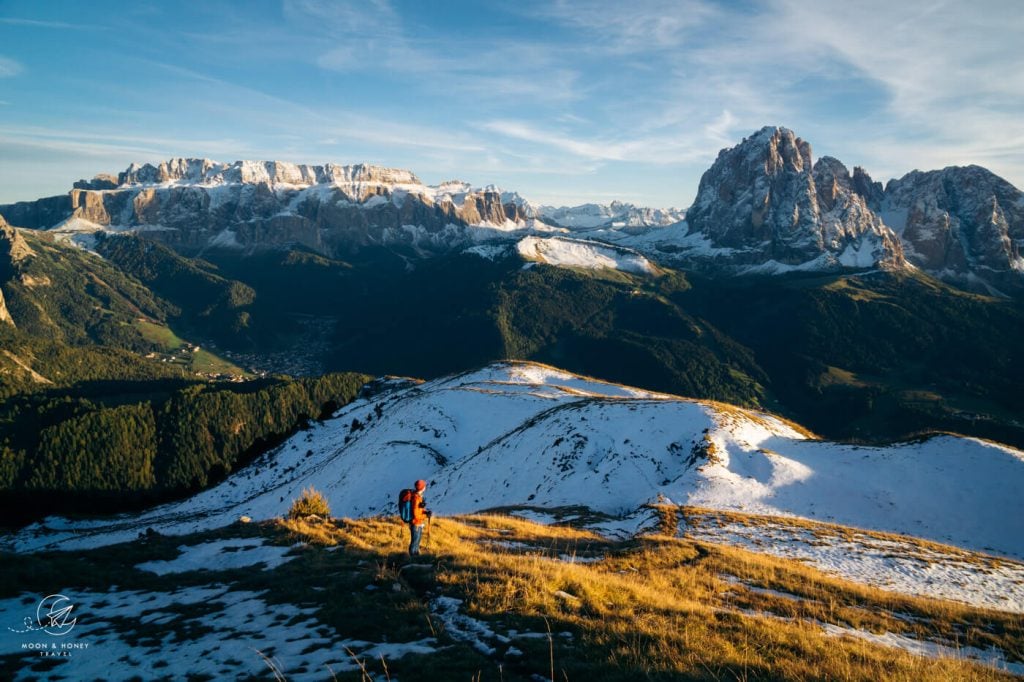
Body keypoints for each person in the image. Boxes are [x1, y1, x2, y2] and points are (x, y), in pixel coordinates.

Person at [408, 479, 432, 556]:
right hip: (416, 523)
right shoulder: (416, 498)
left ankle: (415, 556)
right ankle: (412, 557)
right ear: (422, 488)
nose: (425, 487)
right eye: (424, 486)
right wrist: (425, 515)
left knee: (417, 541)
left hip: (418, 523)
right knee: (415, 542)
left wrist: (425, 512)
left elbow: (418, 510)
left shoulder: (417, 496)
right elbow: (416, 514)